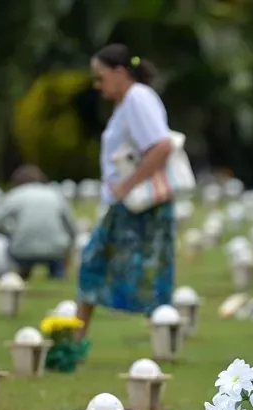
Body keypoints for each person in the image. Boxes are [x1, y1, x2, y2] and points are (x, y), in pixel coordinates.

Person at [76, 43, 176, 340]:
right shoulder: (129, 102)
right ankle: (74, 343)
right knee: (136, 272)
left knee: (98, 264)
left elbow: (162, 146)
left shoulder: (137, 98)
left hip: (140, 204)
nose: (97, 85)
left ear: (120, 72)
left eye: (100, 77)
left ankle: (73, 344)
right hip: (131, 204)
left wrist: (125, 185)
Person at [0, 165, 77, 280]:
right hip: (56, 250)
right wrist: (69, 247)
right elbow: (71, 227)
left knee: (15, 248)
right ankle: (58, 274)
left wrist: (8, 231)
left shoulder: (16, 194)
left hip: (22, 250)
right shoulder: (55, 194)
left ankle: (22, 274)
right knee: (57, 257)